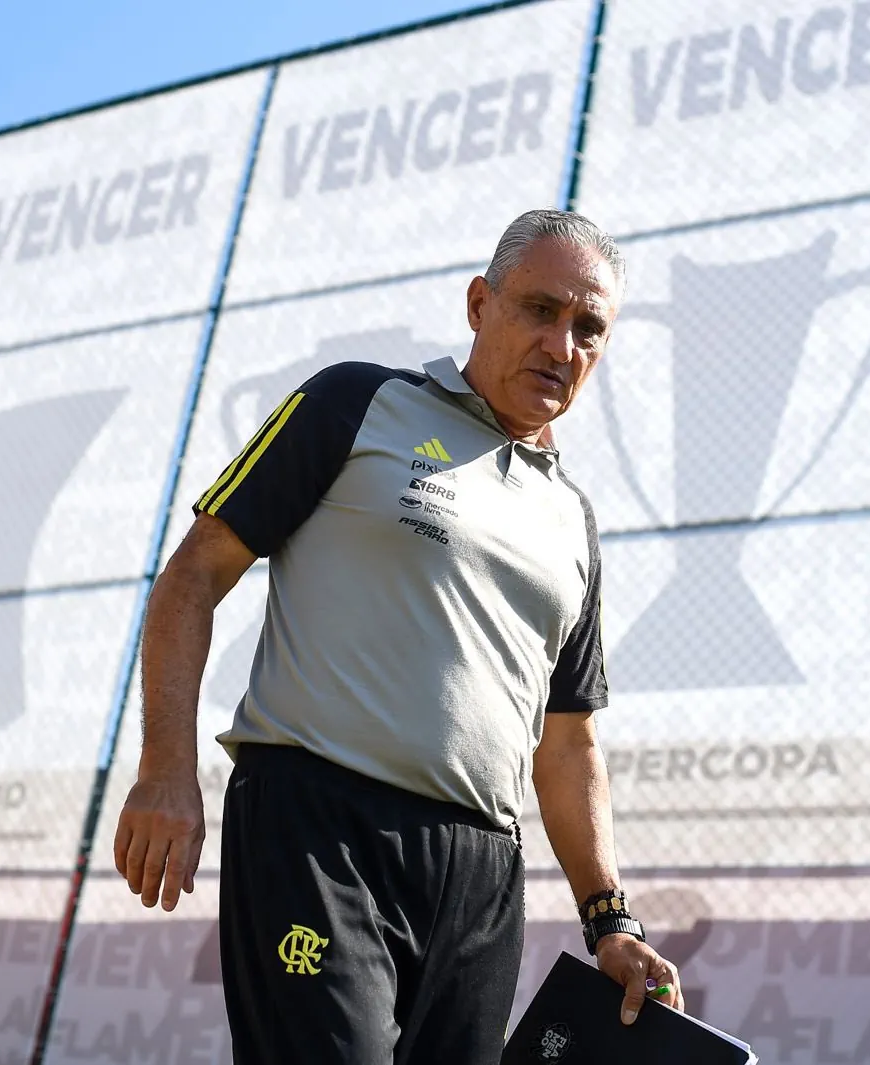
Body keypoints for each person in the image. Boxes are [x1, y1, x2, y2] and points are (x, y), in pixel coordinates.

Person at [113, 208, 683, 1064]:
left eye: (588, 327)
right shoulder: (354, 401)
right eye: (539, 310)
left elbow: (569, 744)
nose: (562, 345)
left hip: (483, 874)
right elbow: (193, 575)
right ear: (479, 304)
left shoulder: (574, 521)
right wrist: (166, 768)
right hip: (318, 831)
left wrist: (611, 920)